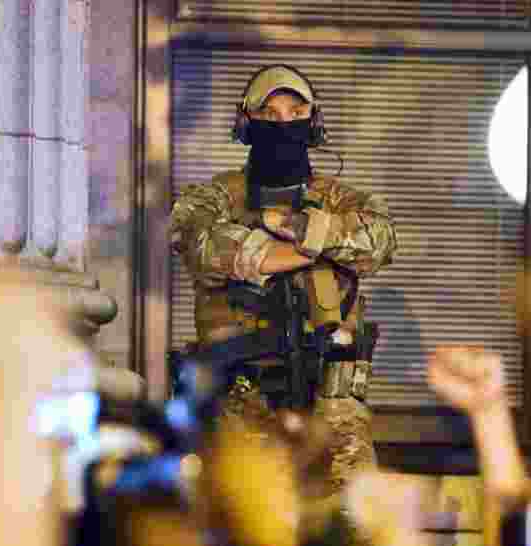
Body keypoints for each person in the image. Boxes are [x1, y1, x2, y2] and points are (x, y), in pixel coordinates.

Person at [169, 64, 397, 504]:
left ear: (313, 123)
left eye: (295, 112)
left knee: (342, 543)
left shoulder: (341, 198)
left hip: (333, 407)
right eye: (268, 115)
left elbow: (380, 240)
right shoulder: (213, 197)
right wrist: (318, 244)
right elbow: (198, 240)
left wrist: (294, 225)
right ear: (245, 123)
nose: (282, 124)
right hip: (239, 405)